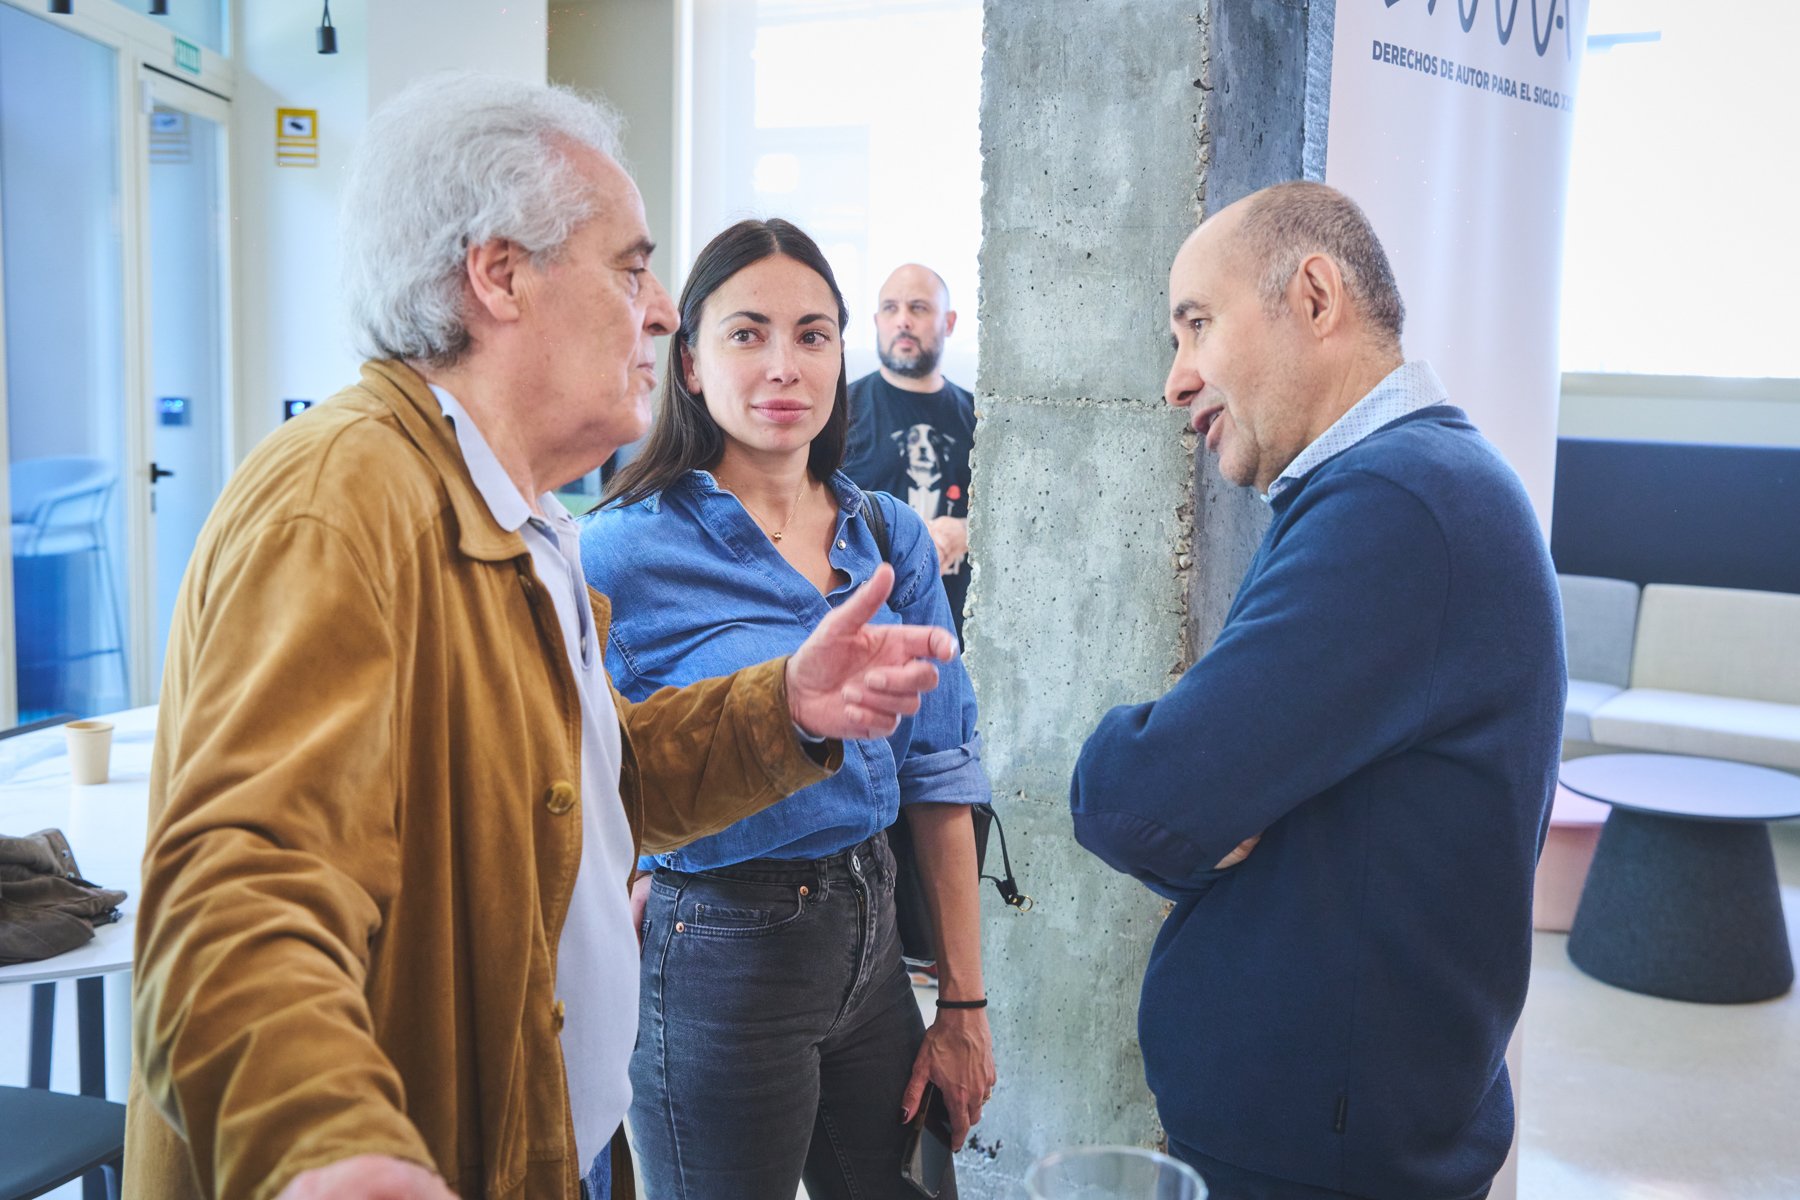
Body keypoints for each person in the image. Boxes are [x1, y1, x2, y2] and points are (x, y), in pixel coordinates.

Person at [123, 76, 956, 1200]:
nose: (661, 312)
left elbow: (594, 788)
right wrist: (326, 1147)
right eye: (630, 268)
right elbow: (238, 891)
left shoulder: (525, 523)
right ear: (499, 274)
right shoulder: (345, 498)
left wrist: (784, 704)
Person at [1070, 182, 1564, 1200]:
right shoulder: (1414, 486)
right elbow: (1207, 799)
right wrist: (1216, 803)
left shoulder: (1395, 505)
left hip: (1326, 1156)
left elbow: (1145, 795)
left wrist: (1142, 767)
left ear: (1314, 295)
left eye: (1197, 325)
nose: (1176, 379)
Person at [581, 219, 996, 1200]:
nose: (784, 365)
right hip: (720, 949)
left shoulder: (885, 535)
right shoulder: (614, 554)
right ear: (688, 363)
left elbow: (942, 778)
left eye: (813, 335)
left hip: (874, 933)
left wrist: (965, 1005)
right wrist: (631, 875)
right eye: (746, 333)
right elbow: (573, 775)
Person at [842, 264, 976, 638]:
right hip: (864, 634)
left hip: (957, 639)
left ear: (948, 323)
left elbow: (1017, 521)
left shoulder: (981, 420)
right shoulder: (837, 413)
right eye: (890, 308)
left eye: (918, 308)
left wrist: (969, 531)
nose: (902, 321)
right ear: (876, 321)